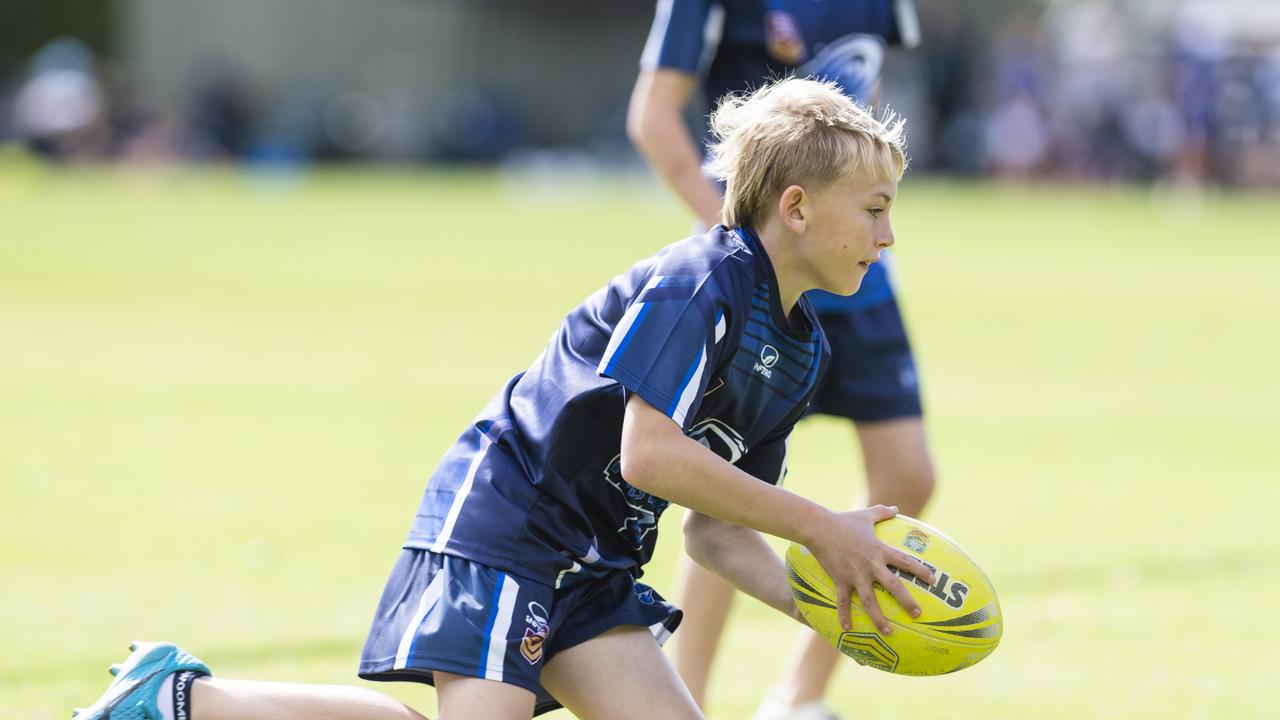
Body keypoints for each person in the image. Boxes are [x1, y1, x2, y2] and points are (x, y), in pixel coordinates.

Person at [74, 77, 934, 720]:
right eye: (875, 208)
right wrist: (824, 525)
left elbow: (715, 529)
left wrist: (827, 608)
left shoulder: (801, 349)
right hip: (511, 527)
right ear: (796, 208)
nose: (888, 235)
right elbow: (651, 454)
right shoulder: (700, 283)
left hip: (591, 567)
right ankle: (185, 698)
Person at [626, 2, 937, 719]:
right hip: (759, 254)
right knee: (723, 488)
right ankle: (688, 696)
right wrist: (737, 237)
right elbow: (653, 115)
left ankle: (799, 698)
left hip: (845, 263)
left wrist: (863, 212)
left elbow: (868, 103)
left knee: (909, 473)